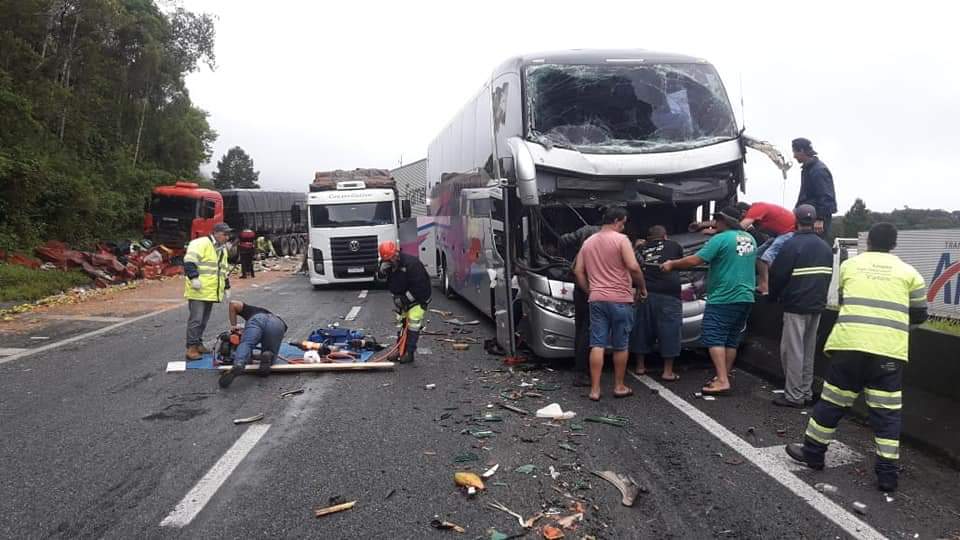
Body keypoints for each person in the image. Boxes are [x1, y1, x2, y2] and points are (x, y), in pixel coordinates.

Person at [786, 223, 927, 492]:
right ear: (894, 244)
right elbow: (919, 315)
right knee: (887, 415)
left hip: (849, 346)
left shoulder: (850, 266)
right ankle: (887, 475)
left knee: (832, 402)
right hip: (888, 353)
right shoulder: (911, 274)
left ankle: (813, 454)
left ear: (869, 242)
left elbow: (842, 301)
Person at [662, 206, 756, 395]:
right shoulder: (749, 239)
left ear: (726, 221)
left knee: (714, 336)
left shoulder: (720, 239)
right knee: (731, 339)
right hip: (746, 295)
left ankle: (721, 380)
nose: (715, 222)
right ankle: (724, 376)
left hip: (724, 296)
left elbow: (695, 261)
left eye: (718, 219)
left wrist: (672, 264)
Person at [573, 206, 647, 401]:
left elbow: (578, 271)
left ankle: (595, 390)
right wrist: (642, 286)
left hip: (596, 299)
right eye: (623, 223)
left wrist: (590, 290)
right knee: (620, 345)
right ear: (618, 221)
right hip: (620, 299)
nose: (623, 227)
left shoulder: (588, 242)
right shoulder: (621, 240)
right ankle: (619, 386)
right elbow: (633, 266)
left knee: (597, 343)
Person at [768, 205, 833, 407]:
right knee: (808, 350)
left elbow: (778, 275)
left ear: (795, 220)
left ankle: (794, 395)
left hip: (796, 304)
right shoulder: (825, 246)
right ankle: (805, 391)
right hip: (817, 305)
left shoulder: (791, 244)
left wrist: (773, 297)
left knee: (792, 351)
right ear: (814, 221)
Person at [630, 225, 684, 381]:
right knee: (670, 331)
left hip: (645, 292)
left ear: (648, 238)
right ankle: (667, 372)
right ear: (665, 236)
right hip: (670, 294)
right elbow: (680, 263)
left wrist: (637, 246)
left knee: (641, 329)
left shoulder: (641, 248)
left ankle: (640, 367)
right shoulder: (674, 245)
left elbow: (633, 265)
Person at [558, 221, 601, 378]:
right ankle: (583, 370)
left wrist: (564, 258)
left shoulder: (585, 232)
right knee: (589, 331)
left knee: (581, 328)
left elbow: (563, 240)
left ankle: (579, 366)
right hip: (593, 288)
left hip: (580, 288)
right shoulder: (612, 238)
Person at [183, 223, 231, 361]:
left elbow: (223, 270)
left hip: (210, 291)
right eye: (225, 234)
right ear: (216, 233)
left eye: (228, 234)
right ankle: (191, 348)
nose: (227, 237)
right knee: (196, 320)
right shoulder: (201, 243)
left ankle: (198, 344)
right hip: (198, 289)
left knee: (203, 320)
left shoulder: (222, 249)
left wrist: (226, 286)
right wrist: (193, 278)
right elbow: (189, 261)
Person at [379, 241, 431, 364]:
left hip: (418, 298)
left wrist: (405, 300)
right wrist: (381, 273)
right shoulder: (387, 264)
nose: (390, 262)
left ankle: (409, 352)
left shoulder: (412, 264)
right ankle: (399, 349)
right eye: (387, 260)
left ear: (396, 254)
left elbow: (420, 288)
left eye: (391, 259)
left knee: (413, 322)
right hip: (401, 297)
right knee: (401, 323)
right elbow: (382, 282)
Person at [218, 300, 288, 388]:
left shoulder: (252, 310)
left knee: (247, 344)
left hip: (257, 320)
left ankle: (239, 363)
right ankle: (268, 356)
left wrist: (233, 326)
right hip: (278, 325)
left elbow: (233, 303)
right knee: (269, 352)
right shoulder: (276, 319)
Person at [738, 201, 797, 294]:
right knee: (757, 255)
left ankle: (774, 285)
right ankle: (763, 286)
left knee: (765, 258)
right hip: (780, 234)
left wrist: (726, 235)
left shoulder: (757, 208)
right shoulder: (759, 213)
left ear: (743, 212)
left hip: (790, 232)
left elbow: (741, 227)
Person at [793, 137, 837, 238]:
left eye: (795, 152)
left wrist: (820, 219)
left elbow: (826, 196)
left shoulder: (818, 170)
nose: (794, 156)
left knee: (813, 248)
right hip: (807, 217)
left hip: (815, 220)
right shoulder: (808, 169)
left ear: (802, 150)